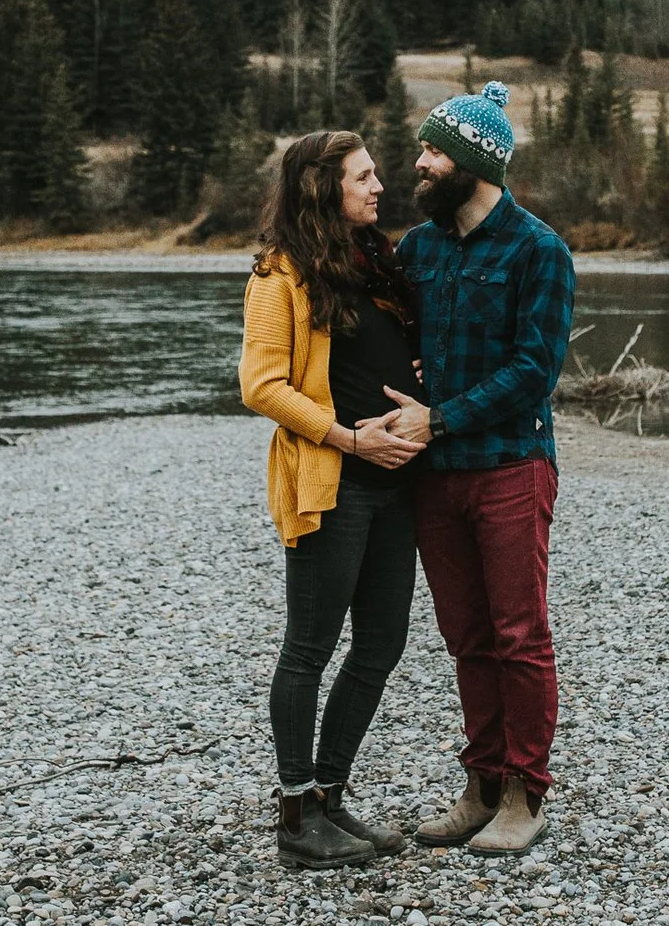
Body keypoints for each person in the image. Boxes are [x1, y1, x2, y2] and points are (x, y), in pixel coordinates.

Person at [378, 81, 576, 856]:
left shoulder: (539, 249)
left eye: (432, 152)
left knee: (519, 632)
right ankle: (481, 785)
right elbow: (395, 342)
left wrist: (440, 415)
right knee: (466, 636)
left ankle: (528, 791)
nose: (419, 164)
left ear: (472, 163)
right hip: (435, 475)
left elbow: (535, 371)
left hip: (509, 466)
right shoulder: (417, 249)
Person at [237, 129, 428, 870]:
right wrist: (350, 439)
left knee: (382, 642)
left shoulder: (375, 263)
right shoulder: (277, 275)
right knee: (309, 648)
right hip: (334, 485)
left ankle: (329, 794)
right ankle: (294, 816)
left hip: (395, 485)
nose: (379, 186)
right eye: (363, 176)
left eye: (377, 173)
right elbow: (261, 385)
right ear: (322, 186)